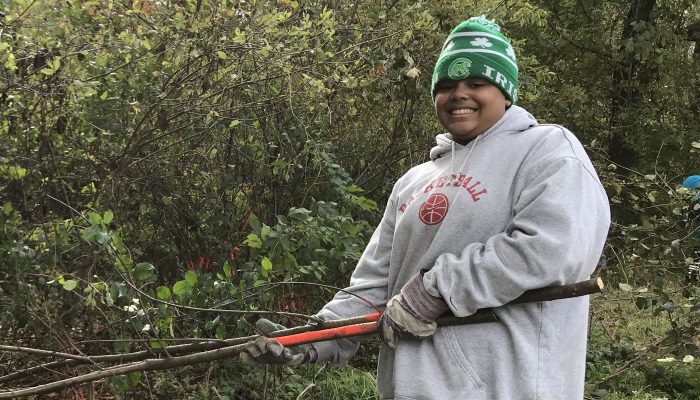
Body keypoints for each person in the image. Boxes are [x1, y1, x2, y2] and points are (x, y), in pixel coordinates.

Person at [240, 16, 611, 399]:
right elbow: (375, 286)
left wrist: (435, 291)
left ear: (506, 92)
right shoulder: (413, 181)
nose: (459, 94)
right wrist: (310, 337)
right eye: (447, 85)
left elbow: (552, 249)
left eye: (477, 83)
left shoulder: (547, 149)